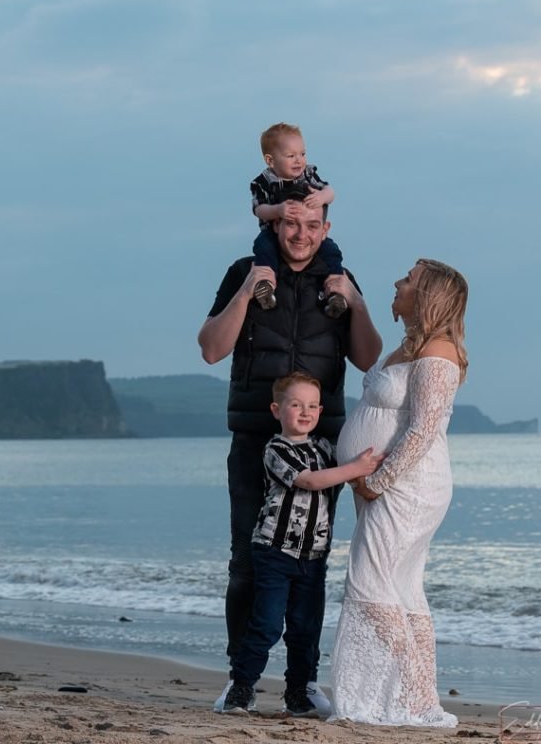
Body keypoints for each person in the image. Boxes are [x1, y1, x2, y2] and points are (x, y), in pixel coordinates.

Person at [198, 206, 382, 715]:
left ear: (326, 229)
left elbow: (367, 359)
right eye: (291, 223)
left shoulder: (339, 280)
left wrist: (357, 303)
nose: (301, 234)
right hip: (256, 438)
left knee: (309, 562)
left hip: (323, 442)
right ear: (274, 226)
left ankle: (302, 684)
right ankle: (241, 679)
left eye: (311, 225)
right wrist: (247, 289)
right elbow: (212, 350)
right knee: (247, 561)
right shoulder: (245, 272)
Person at [330, 258, 468, 726]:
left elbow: (423, 429)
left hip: (407, 486)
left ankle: (411, 699)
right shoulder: (410, 348)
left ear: (428, 294)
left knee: (371, 581)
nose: (398, 283)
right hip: (385, 483)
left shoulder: (439, 352)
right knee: (403, 590)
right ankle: (408, 699)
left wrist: (376, 481)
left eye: (408, 279)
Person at [219, 372, 383, 718]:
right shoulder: (277, 449)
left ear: (321, 410)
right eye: (296, 405)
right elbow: (309, 481)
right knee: (266, 624)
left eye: (312, 406)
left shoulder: (324, 448)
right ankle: (241, 688)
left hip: (313, 556)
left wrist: (364, 470)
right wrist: (355, 467)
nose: (305, 412)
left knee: (305, 629)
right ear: (277, 409)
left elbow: (343, 471)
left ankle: (298, 693)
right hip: (275, 551)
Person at [250, 122, 347, 318]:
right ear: (270, 161)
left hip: (293, 231)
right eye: (291, 156)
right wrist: (278, 210)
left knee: (331, 250)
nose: (299, 161)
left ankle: (335, 291)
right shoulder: (263, 182)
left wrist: (321, 197)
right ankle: (266, 285)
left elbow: (330, 191)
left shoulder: (308, 174)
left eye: (302, 154)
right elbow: (259, 210)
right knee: (263, 248)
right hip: (273, 231)